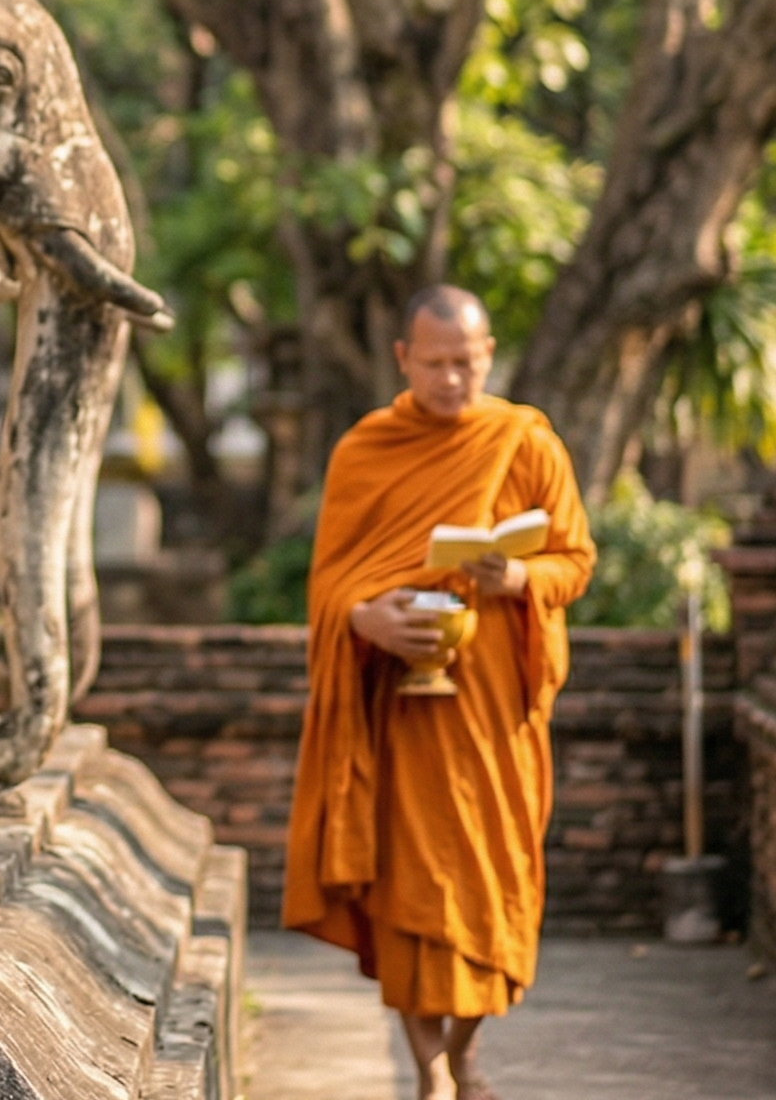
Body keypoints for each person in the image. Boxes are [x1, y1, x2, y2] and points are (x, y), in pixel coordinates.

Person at [282, 285, 595, 1100]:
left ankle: (463, 1049)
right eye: (436, 363)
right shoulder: (366, 448)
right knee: (412, 891)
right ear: (404, 360)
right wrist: (363, 619)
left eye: (468, 361)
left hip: (495, 714)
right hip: (403, 711)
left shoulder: (525, 442)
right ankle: (429, 1071)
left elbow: (576, 559)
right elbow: (329, 583)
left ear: (488, 354)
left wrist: (520, 573)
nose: (454, 379)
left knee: (496, 890)